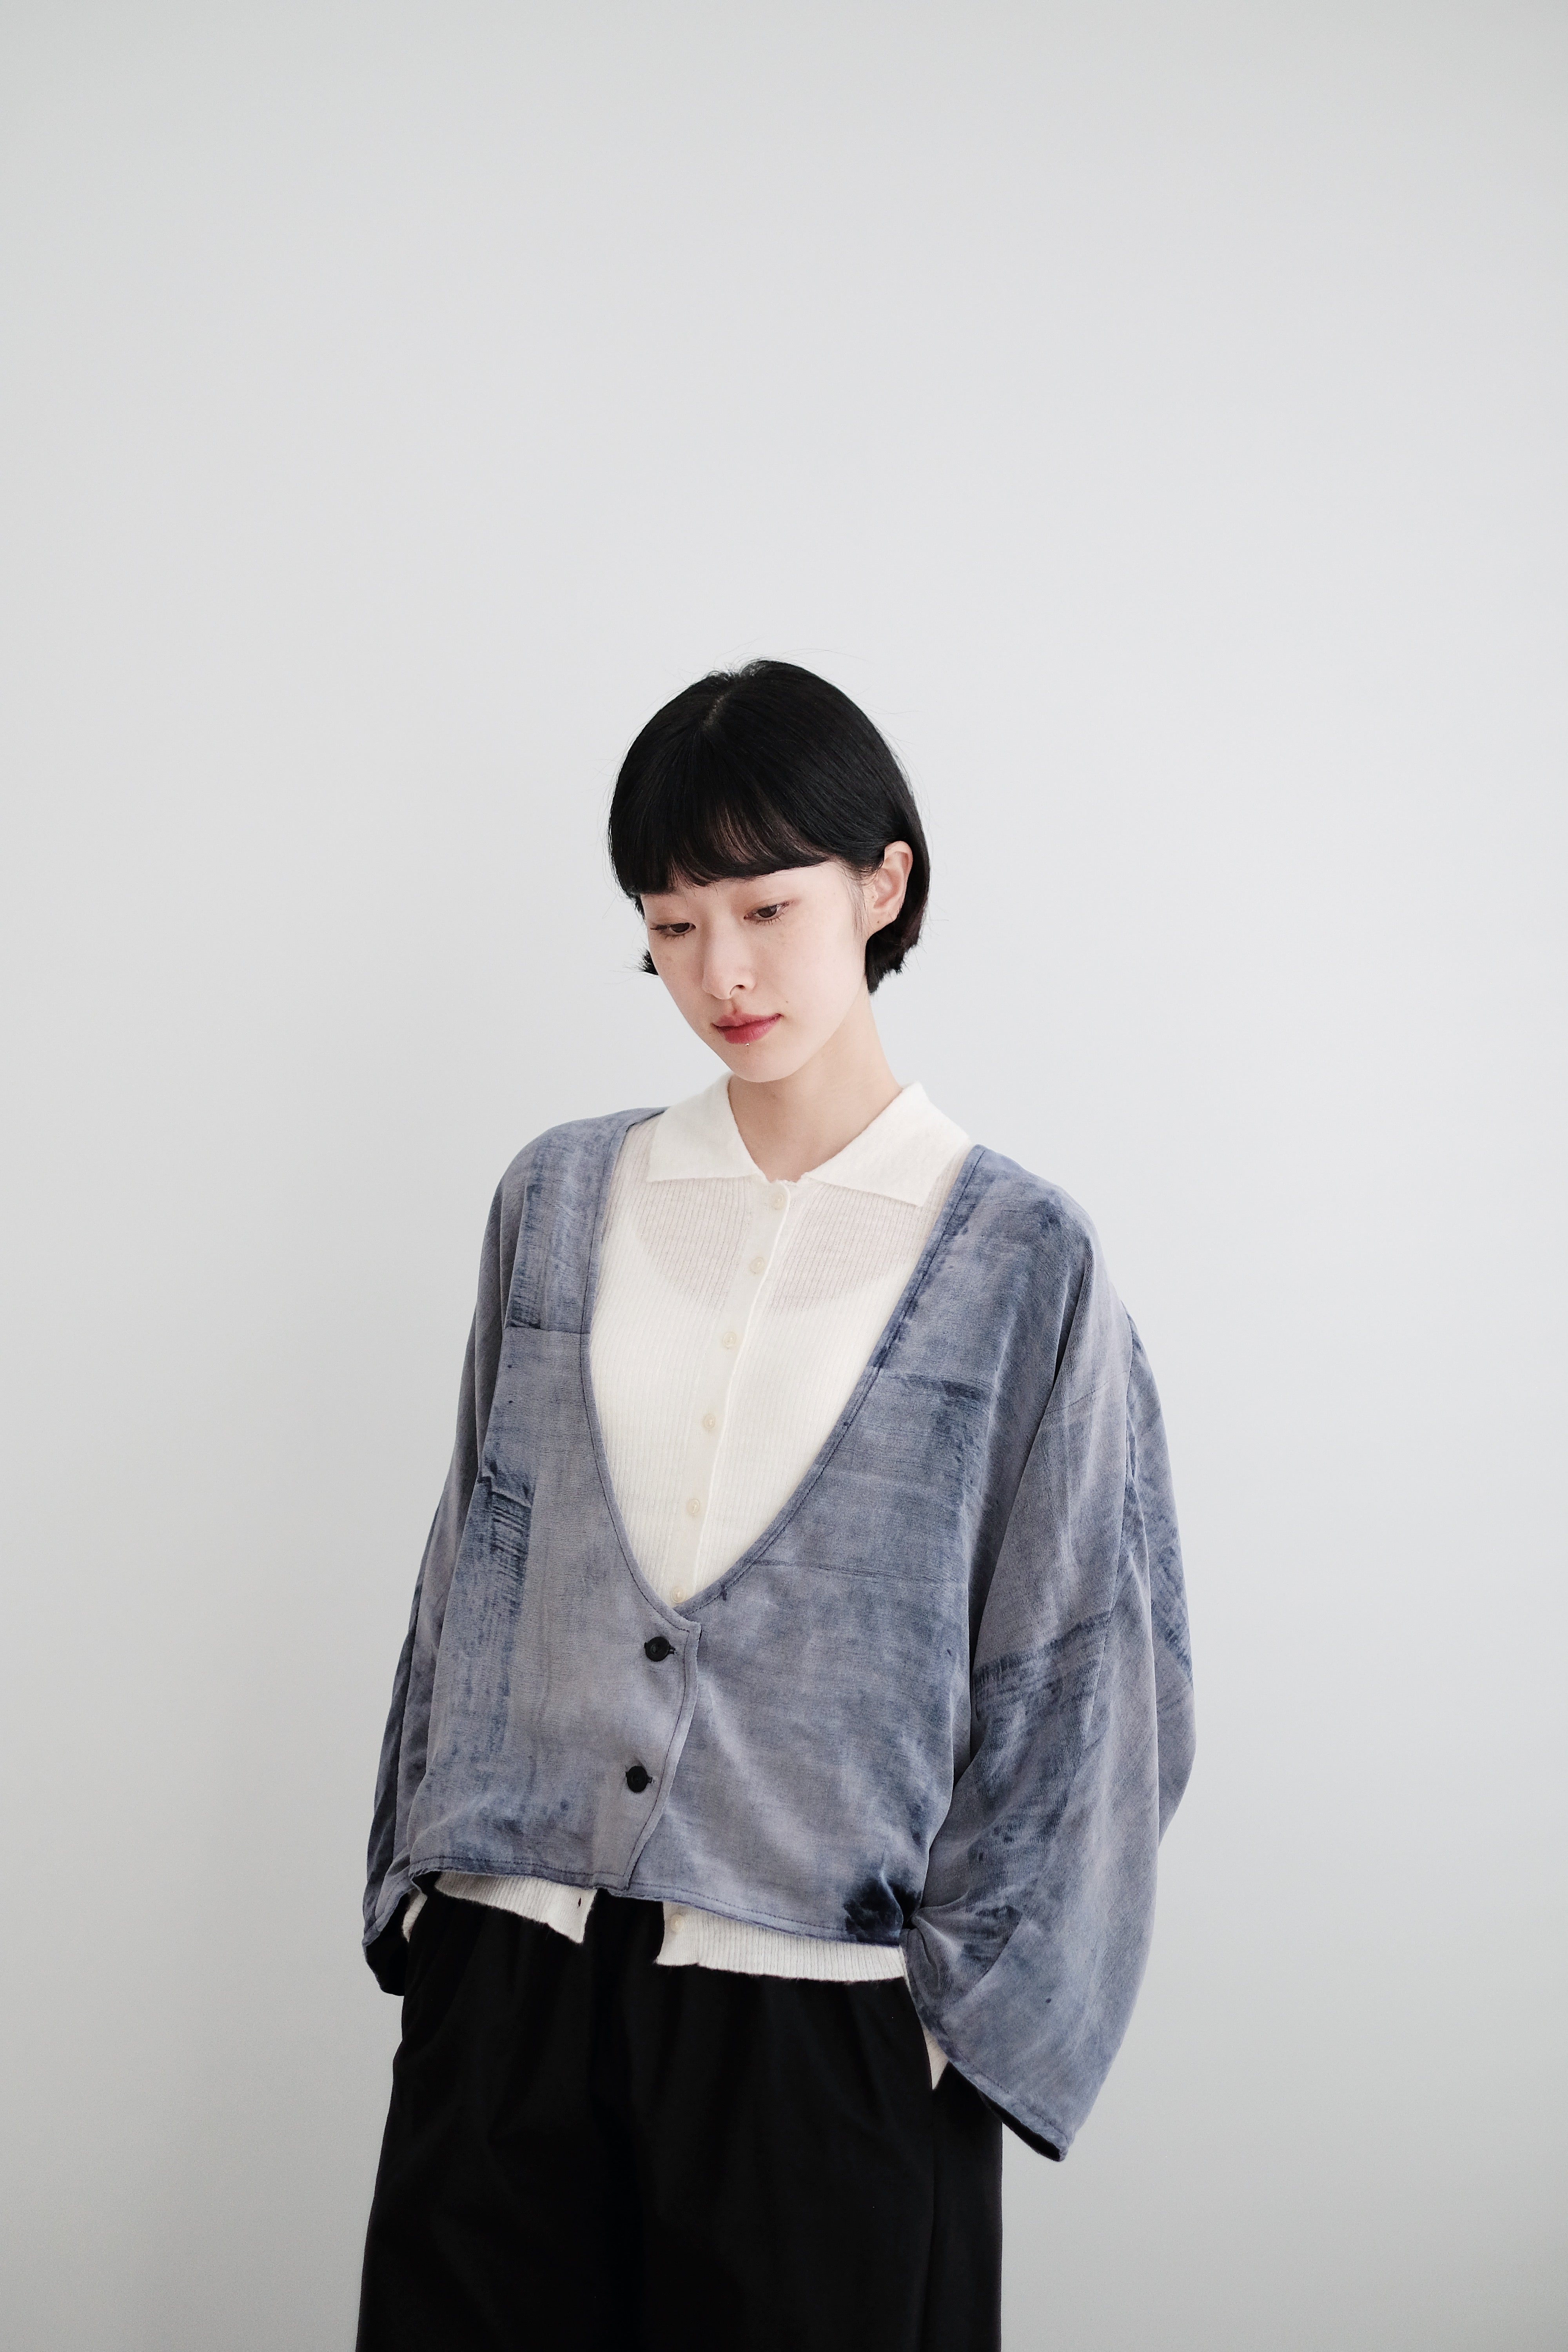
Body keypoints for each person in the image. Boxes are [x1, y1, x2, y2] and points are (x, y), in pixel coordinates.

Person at [355, 660, 1195, 2352]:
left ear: (883, 885)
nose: (720, 973)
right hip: (509, 1988)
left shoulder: (1020, 1255)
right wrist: (424, 1902)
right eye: (671, 925)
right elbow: (468, 1580)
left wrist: (941, 2027)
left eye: (765, 908)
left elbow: (1094, 1684)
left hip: (827, 2030)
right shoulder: (559, 1196)